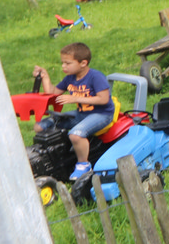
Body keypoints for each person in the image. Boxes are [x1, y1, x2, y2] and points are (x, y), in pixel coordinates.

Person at [33, 42, 115, 181]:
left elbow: (103, 99)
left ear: (83, 63)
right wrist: (45, 76)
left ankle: (84, 165)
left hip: (102, 114)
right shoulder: (70, 78)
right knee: (40, 126)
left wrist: (75, 98)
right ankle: (51, 157)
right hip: (81, 114)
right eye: (62, 63)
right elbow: (53, 93)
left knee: (76, 134)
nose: (63, 66)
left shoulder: (95, 77)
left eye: (68, 63)